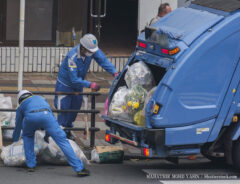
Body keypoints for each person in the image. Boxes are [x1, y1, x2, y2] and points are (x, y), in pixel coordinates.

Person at [54, 33, 118, 140]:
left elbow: (103, 60)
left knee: (74, 109)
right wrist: (89, 84)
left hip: (79, 85)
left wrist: (114, 72)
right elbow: (74, 79)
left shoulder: (91, 50)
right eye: (90, 51)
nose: (92, 53)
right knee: (64, 110)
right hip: (65, 85)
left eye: (93, 52)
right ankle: (60, 134)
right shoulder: (72, 57)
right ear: (83, 48)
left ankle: (68, 130)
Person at [12, 90, 90, 177]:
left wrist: (14, 140)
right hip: (46, 115)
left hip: (30, 118)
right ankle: (79, 168)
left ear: (20, 99)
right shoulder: (40, 98)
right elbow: (50, 115)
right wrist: (47, 135)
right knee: (62, 141)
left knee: (27, 136)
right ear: (30, 94)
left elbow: (18, 124)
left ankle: (31, 165)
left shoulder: (21, 106)